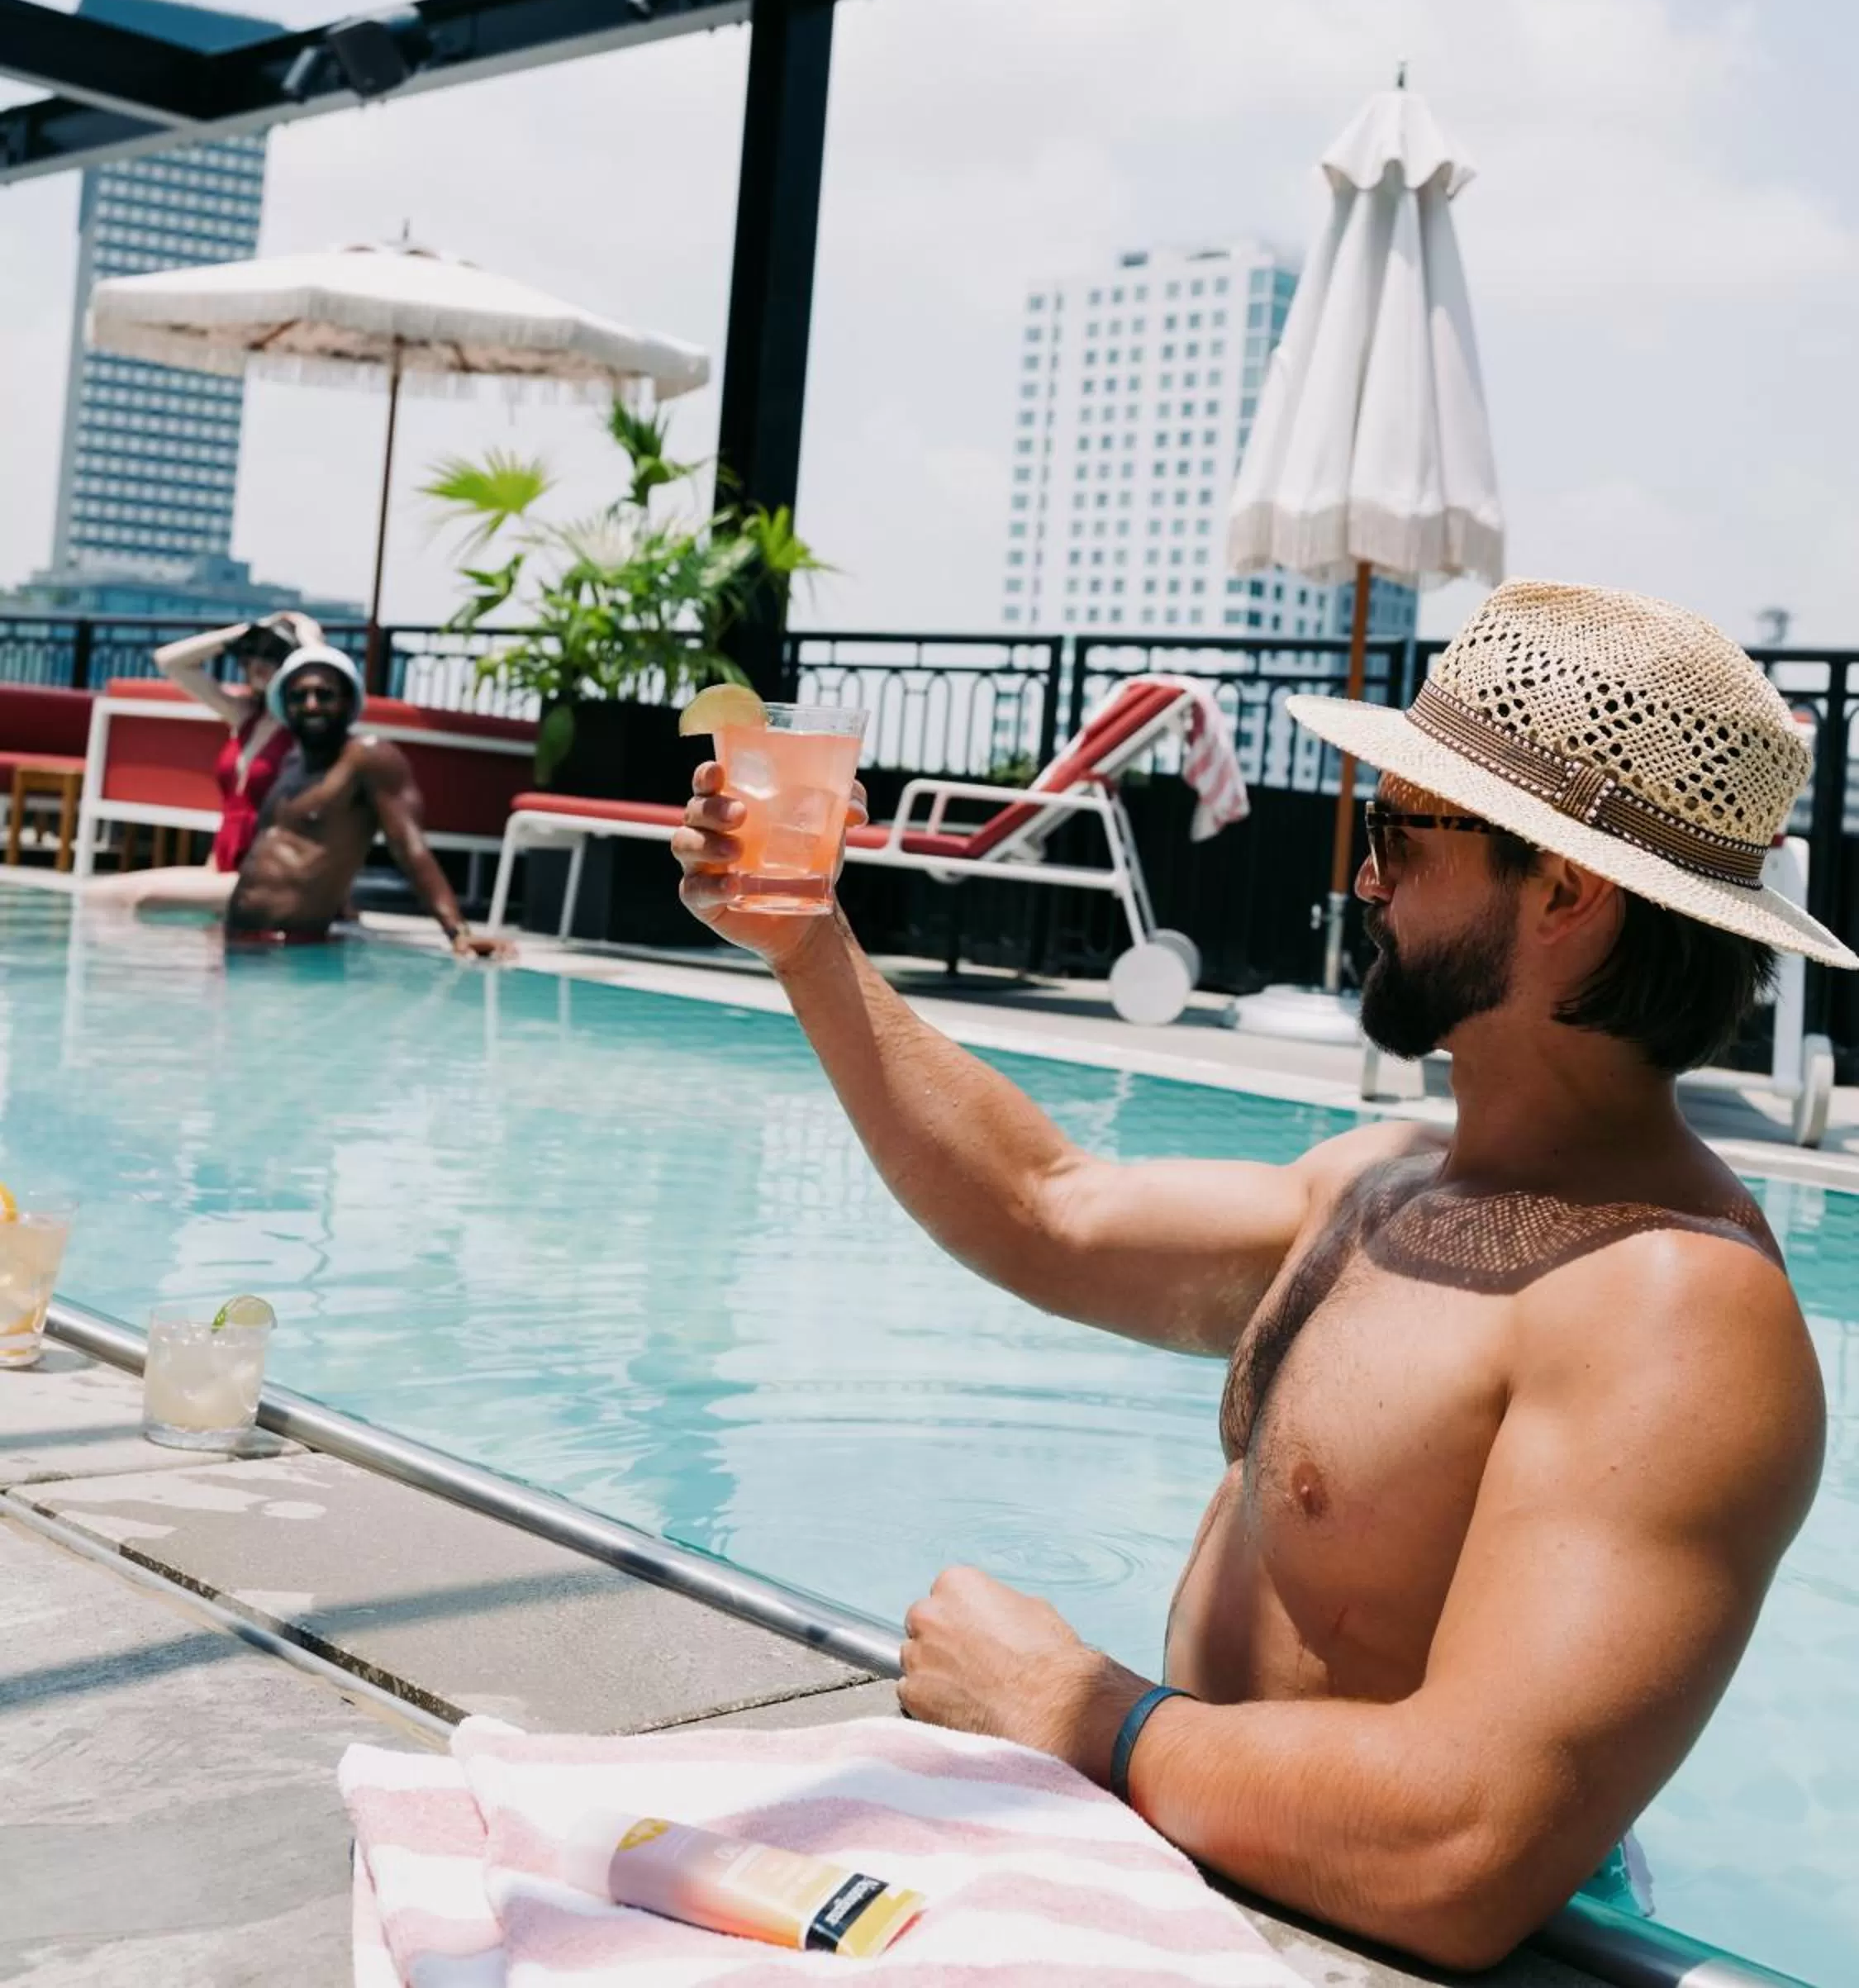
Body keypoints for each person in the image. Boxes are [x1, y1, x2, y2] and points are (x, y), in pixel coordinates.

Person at [672, 581, 1855, 1968]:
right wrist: (809, 942)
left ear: (1569, 891)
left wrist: (1074, 1709)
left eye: (1401, 832)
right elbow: (1050, 1207)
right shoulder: (1383, 1179)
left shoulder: (1673, 1313)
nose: (1364, 877)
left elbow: (1464, 1848)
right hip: (1214, 1877)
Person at [225, 643, 504, 958]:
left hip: (294, 952)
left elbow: (410, 848)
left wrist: (458, 932)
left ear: (347, 702)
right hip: (240, 941)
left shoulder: (368, 757)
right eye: (298, 696)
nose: (311, 705)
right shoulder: (291, 765)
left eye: (324, 694)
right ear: (285, 706)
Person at [83, 610, 321, 911]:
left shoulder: (305, 729)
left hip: (272, 873)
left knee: (146, 901)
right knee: (98, 895)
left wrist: (310, 639)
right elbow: (170, 662)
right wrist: (240, 633)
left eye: (273, 654)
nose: (259, 663)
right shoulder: (245, 715)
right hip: (222, 865)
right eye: (252, 654)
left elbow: (329, 680)